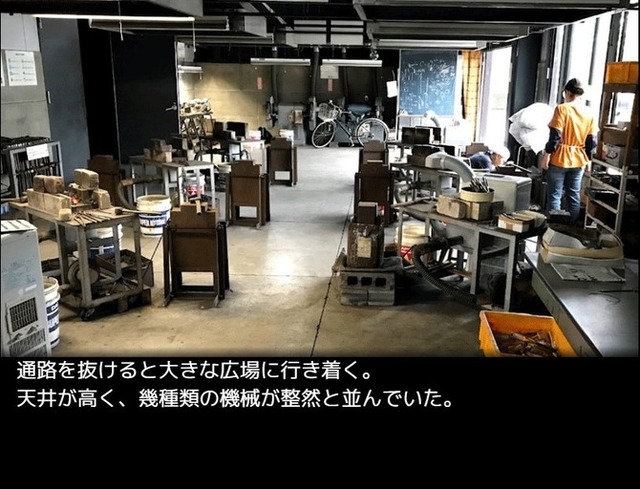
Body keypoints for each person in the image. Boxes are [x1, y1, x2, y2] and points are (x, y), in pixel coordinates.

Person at [540, 78, 596, 224]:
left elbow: (555, 135)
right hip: (579, 159)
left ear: (567, 93)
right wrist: (589, 160)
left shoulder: (562, 109)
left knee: (555, 196)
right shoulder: (589, 113)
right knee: (573, 195)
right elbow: (591, 140)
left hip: (560, 157)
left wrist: (547, 155)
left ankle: (554, 228)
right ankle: (571, 228)